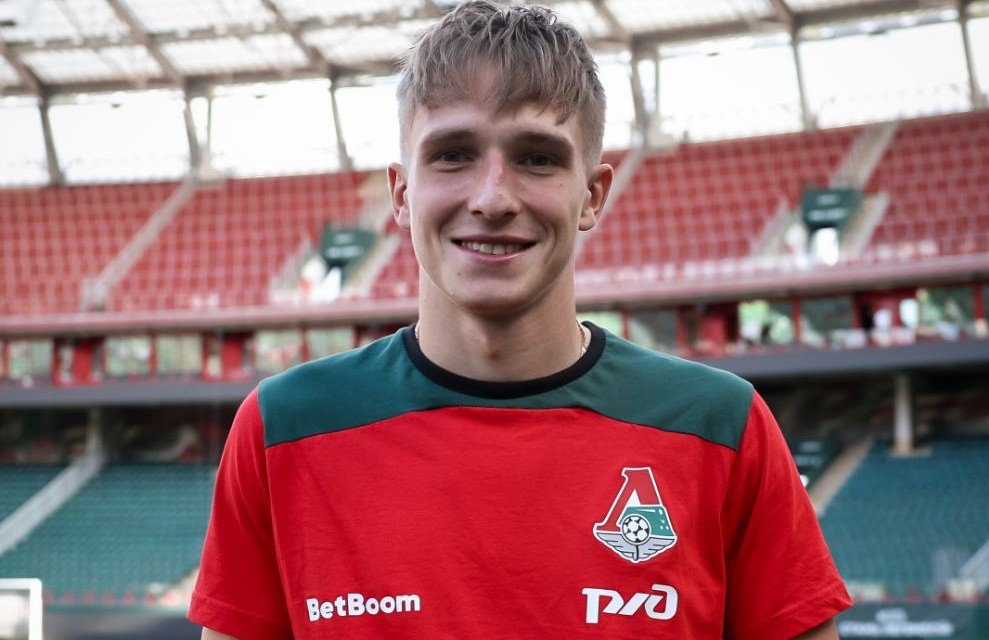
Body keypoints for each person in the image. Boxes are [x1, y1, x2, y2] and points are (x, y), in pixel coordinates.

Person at [189, 2, 851, 638]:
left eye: (537, 157)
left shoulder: (720, 425)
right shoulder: (283, 428)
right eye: (453, 154)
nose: (493, 198)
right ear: (402, 193)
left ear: (591, 195)